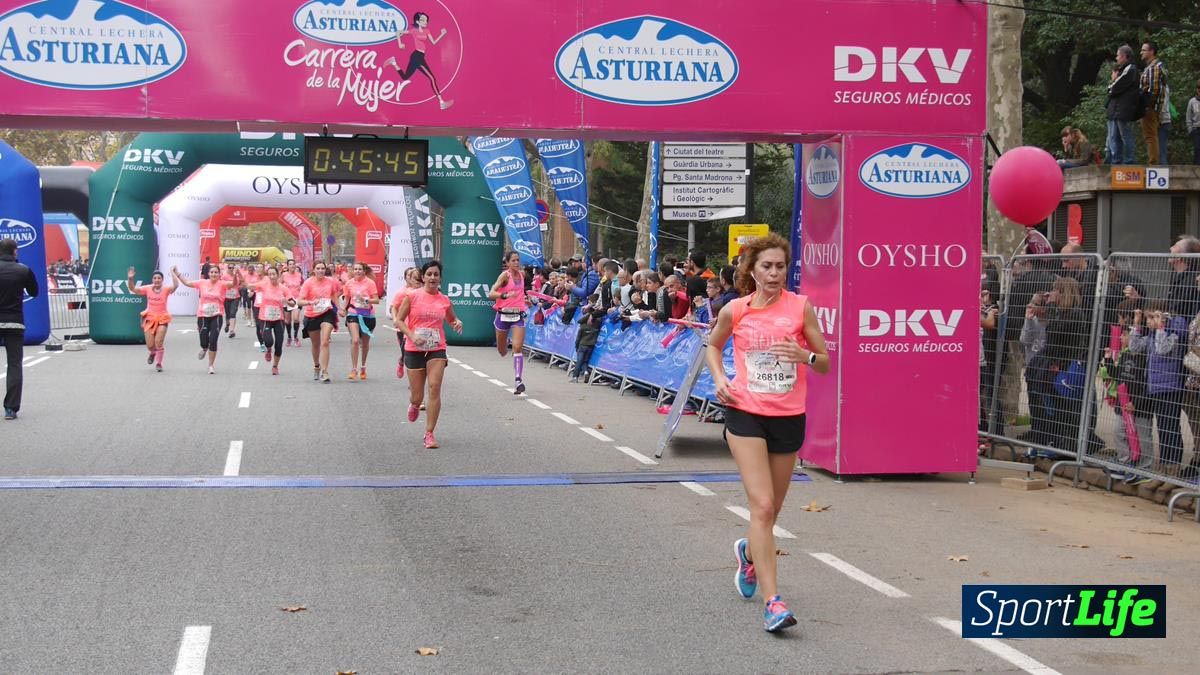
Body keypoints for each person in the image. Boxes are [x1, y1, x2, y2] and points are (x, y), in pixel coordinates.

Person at [705, 233, 829, 633]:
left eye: (780, 266)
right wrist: (720, 378)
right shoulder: (736, 310)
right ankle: (773, 602)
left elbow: (824, 361)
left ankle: (749, 553)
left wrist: (804, 355)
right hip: (745, 414)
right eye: (766, 266)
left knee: (772, 510)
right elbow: (713, 345)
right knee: (760, 506)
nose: (774, 273)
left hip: (788, 416)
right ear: (751, 270)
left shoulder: (801, 308)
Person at [396, 260, 464, 449]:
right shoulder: (412, 296)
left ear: (440, 277)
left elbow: (452, 319)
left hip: (436, 348)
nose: (433, 277)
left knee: (434, 387)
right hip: (414, 348)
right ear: (423, 277)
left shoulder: (444, 300)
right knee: (417, 396)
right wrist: (412, 335)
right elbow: (399, 321)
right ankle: (415, 404)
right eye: (429, 274)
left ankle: (429, 433)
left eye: (436, 274)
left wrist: (457, 323)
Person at [382, 11, 453, 110]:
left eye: (426, 20)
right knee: (432, 78)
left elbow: (433, 42)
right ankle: (441, 102)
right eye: (422, 20)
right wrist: (399, 44)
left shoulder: (427, 31)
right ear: (417, 21)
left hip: (419, 56)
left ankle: (393, 62)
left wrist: (442, 34)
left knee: (405, 77)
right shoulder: (414, 31)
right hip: (417, 56)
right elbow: (398, 32)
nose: (425, 22)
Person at [171, 265, 236, 375]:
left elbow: (234, 284)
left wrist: (236, 274)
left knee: (213, 340)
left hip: (217, 315)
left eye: (216, 272)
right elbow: (187, 283)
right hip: (202, 316)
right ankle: (204, 348)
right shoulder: (202, 282)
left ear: (219, 274)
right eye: (212, 272)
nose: (214, 274)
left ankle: (210, 365)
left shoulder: (222, 284)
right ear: (208, 273)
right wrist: (177, 273)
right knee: (204, 340)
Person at [0, 238, 39, 420]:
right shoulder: (23, 270)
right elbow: (34, 292)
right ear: (15, 251)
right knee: (14, 364)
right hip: (15, 321)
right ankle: (10, 408)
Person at [488, 250, 529, 393]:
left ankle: (518, 380)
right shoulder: (505, 276)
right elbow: (491, 294)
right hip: (503, 315)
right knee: (502, 350)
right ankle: (503, 348)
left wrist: (525, 300)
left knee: (517, 347)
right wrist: (504, 295)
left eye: (518, 260)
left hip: (518, 315)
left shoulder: (522, 275)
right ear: (507, 263)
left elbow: (521, 293)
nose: (517, 263)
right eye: (513, 260)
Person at [126, 266, 176, 372]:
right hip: (149, 319)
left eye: (159, 278)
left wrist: (173, 273)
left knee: (159, 342)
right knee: (150, 345)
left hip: (162, 318)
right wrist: (130, 279)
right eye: (155, 278)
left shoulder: (166, 289)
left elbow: (176, 285)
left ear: (162, 280)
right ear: (152, 280)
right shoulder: (147, 288)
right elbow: (133, 289)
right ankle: (152, 353)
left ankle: (159, 363)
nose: (157, 280)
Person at [297, 261, 340, 383]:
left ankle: (325, 371)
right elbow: (299, 301)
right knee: (316, 344)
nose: (321, 270)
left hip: (327, 312)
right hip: (312, 314)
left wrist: (340, 308)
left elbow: (333, 295)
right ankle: (317, 365)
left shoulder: (330, 281)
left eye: (323, 268)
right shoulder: (308, 283)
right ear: (314, 270)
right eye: (318, 268)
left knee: (325, 342)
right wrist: (310, 302)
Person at [341, 262, 380, 380]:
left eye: (359, 269)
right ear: (352, 271)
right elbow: (347, 299)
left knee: (365, 344)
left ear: (364, 271)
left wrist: (366, 300)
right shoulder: (349, 283)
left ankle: (363, 366)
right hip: (353, 313)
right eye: (355, 269)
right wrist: (343, 309)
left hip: (368, 315)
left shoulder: (370, 283)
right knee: (355, 340)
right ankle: (354, 369)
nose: (357, 271)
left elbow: (376, 300)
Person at [254, 265, 294, 376]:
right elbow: (250, 286)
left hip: (278, 319)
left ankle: (275, 366)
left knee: (279, 344)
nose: (272, 276)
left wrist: (286, 301)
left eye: (274, 274)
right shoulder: (263, 285)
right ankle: (268, 349)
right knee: (269, 341)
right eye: (270, 274)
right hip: (265, 318)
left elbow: (293, 303)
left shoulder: (283, 288)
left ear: (278, 275)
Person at [1106, 45, 1140, 165]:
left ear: (1124, 56)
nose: (1116, 58)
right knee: (1114, 138)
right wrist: (1112, 84)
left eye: (1118, 55)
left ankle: (1129, 160)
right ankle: (1117, 161)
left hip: (1124, 109)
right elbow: (1112, 89)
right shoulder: (1123, 70)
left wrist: (1113, 82)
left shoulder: (1131, 69)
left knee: (1125, 136)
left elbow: (1115, 88)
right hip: (1117, 109)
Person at [391, 266, 422, 378]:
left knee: (422, 355)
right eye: (410, 276)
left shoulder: (425, 292)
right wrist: (395, 319)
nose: (413, 279)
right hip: (404, 329)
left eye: (417, 277)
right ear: (406, 278)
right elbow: (393, 307)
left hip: (421, 328)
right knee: (406, 354)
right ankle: (402, 362)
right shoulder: (403, 293)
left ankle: (419, 377)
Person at [1140, 41, 1168, 166]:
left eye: (1144, 50)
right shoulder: (1152, 67)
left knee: (1150, 136)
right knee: (1150, 136)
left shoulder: (1154, 67)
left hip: (1150, 108)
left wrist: (1147, 106)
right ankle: (1153, 162)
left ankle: (1153, 164)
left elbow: (1154, 90)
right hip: (1151, 108)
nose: (1141, 52)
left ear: (1151, 52)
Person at [570, 293, 602, 383]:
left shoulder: (583, 326)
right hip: (591, 345)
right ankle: (586, 372)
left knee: (579, 360)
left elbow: (578, 338)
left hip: (582, 344)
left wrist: (577, 347)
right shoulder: (598, 323)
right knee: (586, 360)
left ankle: (575, 376)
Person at [281, 260, 304, 347]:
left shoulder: (299, 275)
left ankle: (296, 337)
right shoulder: (284, 275)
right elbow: (279, 285)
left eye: (293, 264)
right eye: (290, 264)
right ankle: (289, 337)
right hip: (287, 299)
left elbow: (303, 284)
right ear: (287, 266)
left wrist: (301, 289)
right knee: (287, 320)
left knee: (296, 318)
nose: (292, 266)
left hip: (297, 299)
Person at [1188, 79, 1200, 165]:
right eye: (1198, 88)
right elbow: (1188, 117)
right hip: (1196, 129)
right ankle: (1196, 168)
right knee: (1197, 149)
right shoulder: (1192, 101)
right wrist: (1190, 130)